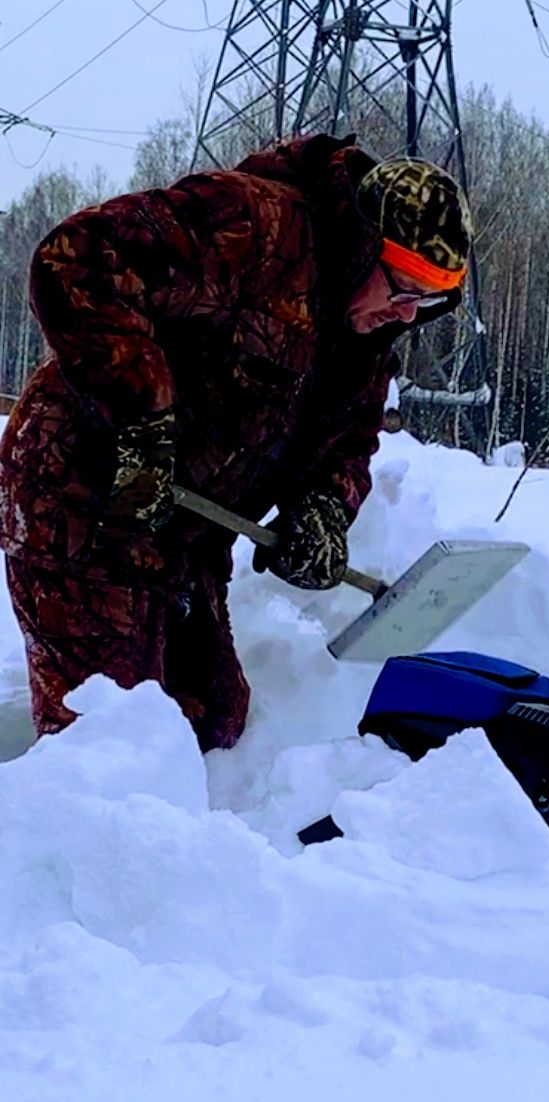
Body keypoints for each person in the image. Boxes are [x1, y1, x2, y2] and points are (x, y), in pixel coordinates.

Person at [0, 134, 471, 751]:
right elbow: (78, 259)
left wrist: (324, 511)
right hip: (80, 501)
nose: (409, 314)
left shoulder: (365, 343)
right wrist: (142, 421)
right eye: (404, 286)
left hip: (184, 539)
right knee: (114, 736)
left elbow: (350, 443)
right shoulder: (251, 226)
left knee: (215, 723)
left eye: (430, 299)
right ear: (363, 245)